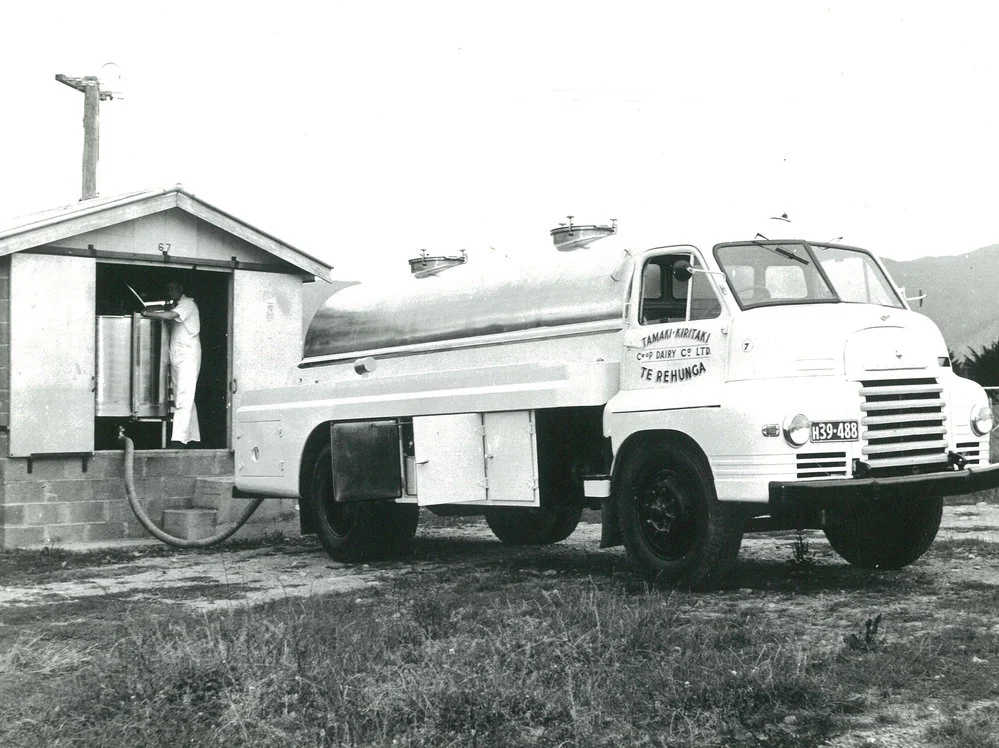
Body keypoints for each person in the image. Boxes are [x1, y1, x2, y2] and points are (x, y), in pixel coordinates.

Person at [142, 279, 201, 448]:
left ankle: (179, 440)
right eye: (169, 287)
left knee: (184, 397)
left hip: (188, 357)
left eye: (173, 287)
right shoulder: (177, 305)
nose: (171, 290)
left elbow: (170, 316)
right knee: (183, 397)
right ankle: (192, 438)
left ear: (182, 287)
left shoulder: (188, 304)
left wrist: (147, 313)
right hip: (178, 357)